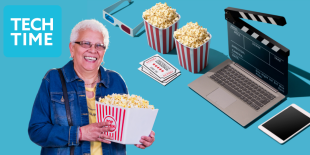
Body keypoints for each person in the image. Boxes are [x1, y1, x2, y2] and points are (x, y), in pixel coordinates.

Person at [28, 19, 155, 155]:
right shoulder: (53, 79)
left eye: (99, 45)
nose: (93, 50)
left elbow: (125, 128)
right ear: (72, 48)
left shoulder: (116, 81)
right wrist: (80, 133)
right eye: (85, 43)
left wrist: (139, 136)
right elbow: (37, 131)